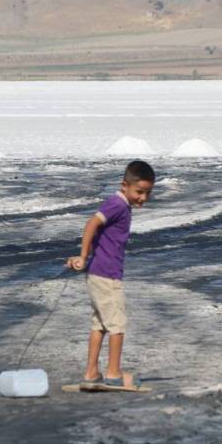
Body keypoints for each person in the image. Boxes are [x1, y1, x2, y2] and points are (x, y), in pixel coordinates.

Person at [65, 160, 155, 388]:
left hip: (99, 273)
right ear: (124, 185)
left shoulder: (120, 205)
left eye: (148, 193)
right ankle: (114, 374)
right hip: (107, 275)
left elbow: (99, 233)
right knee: (117, 324)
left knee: (100, 324)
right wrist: (83, 256)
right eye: (139, 192)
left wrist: (84, 259)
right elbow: (91, 224)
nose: (143, 198)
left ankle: (91, 372)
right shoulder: (117, 204)